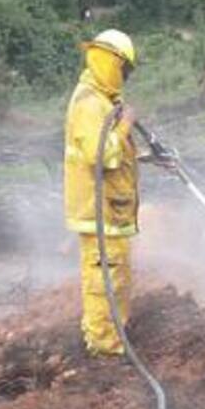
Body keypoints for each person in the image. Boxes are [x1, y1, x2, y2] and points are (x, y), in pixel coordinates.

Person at [63, 29, 140, 357]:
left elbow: (115, 154)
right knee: (102, 284)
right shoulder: (90, 103)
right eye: (125, 70)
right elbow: (102, 156)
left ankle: (114, 338)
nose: (125, 77)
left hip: (111, 212)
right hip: (100, 212)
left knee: (116, 279)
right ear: (113, 62)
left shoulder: (101, 99)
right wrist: (125, 126)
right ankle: (104, 348)